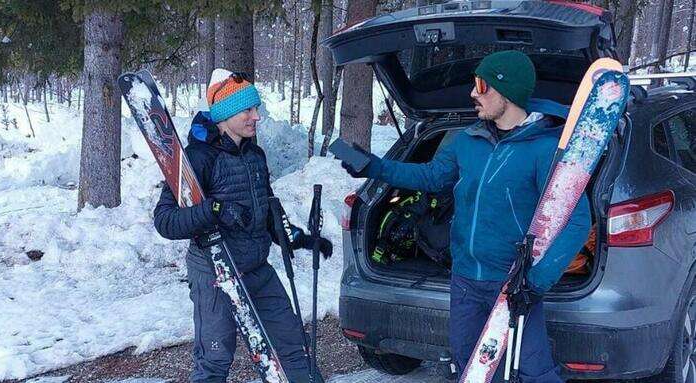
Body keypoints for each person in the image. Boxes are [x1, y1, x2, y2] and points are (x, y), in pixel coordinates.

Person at [340, 50, 591, 382]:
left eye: (481, 85)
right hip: (465, 278)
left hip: (511, 282)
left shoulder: (545, 149)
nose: (473, 93)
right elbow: (430, 177)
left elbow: (577, 222)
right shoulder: (469, 141)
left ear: (507, 90)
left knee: (533, 371)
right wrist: (375, 167)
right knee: (469, 365)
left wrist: (536, 282)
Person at [154, 68, 332, 383]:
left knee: (292, 346)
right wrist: (215, 211)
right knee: (215, 358)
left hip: (256, 269)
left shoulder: (255, 156)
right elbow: (166, 221)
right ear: (226, 113)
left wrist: (301, 240)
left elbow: (267, 213)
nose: (256, 117)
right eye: (248, 109)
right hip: (215, 273)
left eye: (255, 109)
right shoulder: (198, 159)